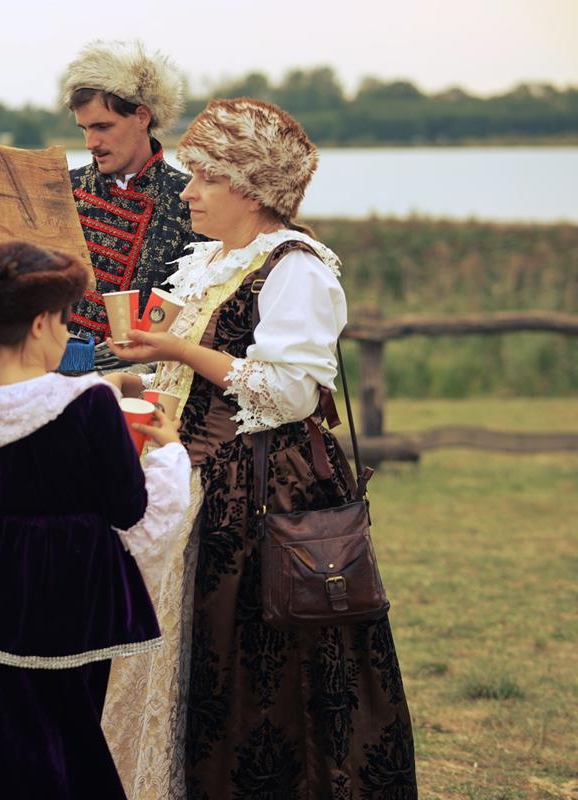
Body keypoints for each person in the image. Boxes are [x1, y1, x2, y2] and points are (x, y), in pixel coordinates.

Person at [105, 99, 417, 797]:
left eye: (205, 178)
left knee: (259, 663)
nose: (187, 192)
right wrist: (132, 381)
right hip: (197, 479)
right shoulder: (213, 260)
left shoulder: (296, 269)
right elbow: (192, 379)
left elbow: (291, 392)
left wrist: (177, 347)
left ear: (250, 189)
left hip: (264, 493)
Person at [0, 241, 192, 799]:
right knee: (68, 733)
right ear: (40, 323)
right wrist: (170, 452)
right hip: (76, 596)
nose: (65, 332)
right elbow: (131, 512)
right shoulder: (90, 400)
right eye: (63, 321)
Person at [60, 40, 201, 341]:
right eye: (84, 129)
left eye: (103, 127)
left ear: (141, 117)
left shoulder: (189, 200)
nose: (91, 143)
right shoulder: (63, 190)